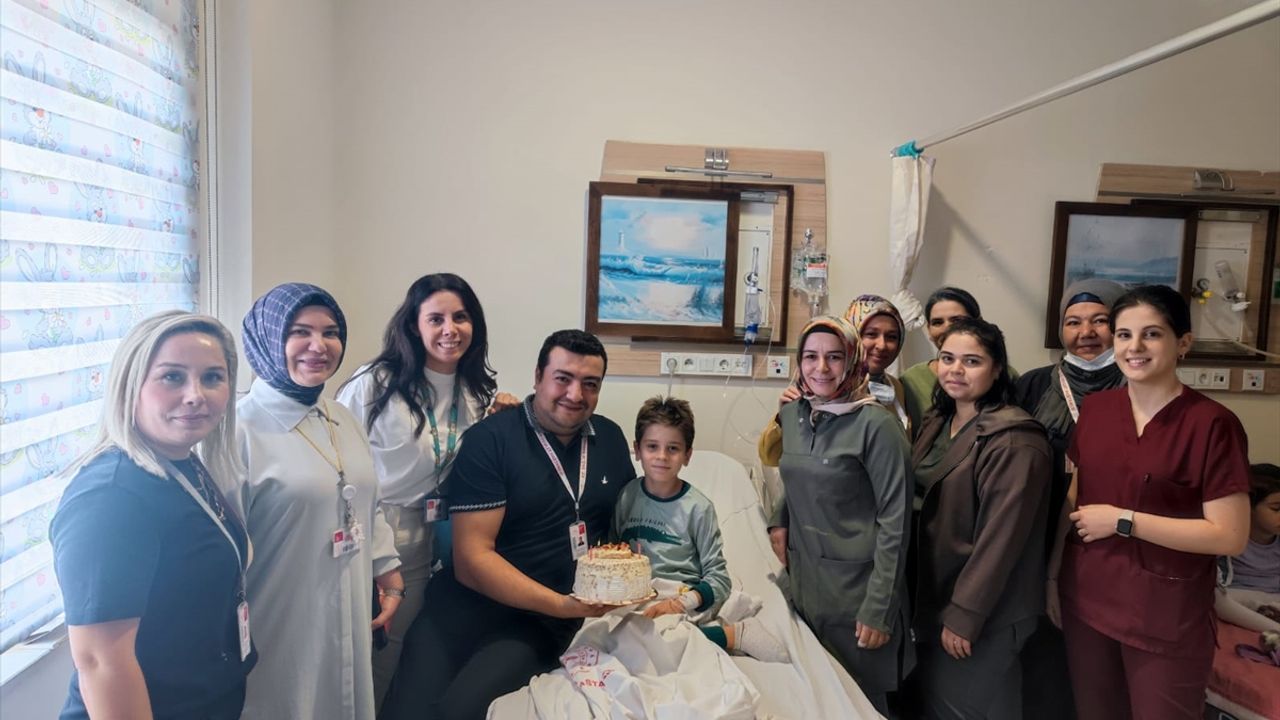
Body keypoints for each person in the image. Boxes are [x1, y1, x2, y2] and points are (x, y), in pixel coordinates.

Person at [381, 329, 636, 720]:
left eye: (590, 384)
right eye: (563, 378)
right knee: (406, 711)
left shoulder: (612, 440)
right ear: (537, 377)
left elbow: (629, 527)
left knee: (459, 710)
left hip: (538, 621)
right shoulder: (491, 440)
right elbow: (471, 561)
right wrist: (563, 605)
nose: (575, 394)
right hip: (464, 603)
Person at [1049, 285, 1250, 720]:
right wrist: (1050, 575)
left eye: (1152, 334)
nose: (1134, 347)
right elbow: (1075, 497)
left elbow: (1230, 535)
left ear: (1183, 343)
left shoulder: (1212, 425)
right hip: (1088, 598)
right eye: (1124, 335)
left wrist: (1124, 521)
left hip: (1165, 615)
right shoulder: (1098, 411)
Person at [51, 311, 255, 719]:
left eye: (212, 377)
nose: (195, 395)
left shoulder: (181, 461)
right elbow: (101, 662)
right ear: (132, 385)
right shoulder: (111, 497)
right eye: (172, 377)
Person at [335, 273, 517, 709]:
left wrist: (503, 417)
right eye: (436, 319)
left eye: (460, 317)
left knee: (392, 649)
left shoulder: (478, 391)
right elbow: (335, 462)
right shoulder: (375, 384)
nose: (450, 330)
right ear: (414, 326)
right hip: (370, 530)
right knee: (349, 647)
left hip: (430, 534)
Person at [236, 283, 404, 720]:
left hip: (348, 600)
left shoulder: (340, 416)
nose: (319, 345)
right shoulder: (238, 430)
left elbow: (368, 502)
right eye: (299, 332)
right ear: (267, 339)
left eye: (331, 332)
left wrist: (387, 571)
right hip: (279, 611)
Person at [764, 316, 914, 715]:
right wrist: (779, 518)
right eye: (810, 357)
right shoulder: (795, 414)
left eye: (834, 357)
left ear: (853, 359)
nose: (821, 368)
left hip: (858, 594)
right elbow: (797, 470)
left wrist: (879, 608)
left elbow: (896, 523)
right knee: (814, 701)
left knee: (860, 706)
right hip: (807, 585)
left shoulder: (877, 425)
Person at [912, 317, 1051, 720]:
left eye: (971, 361)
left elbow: (1002, 539)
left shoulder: (1015, 439)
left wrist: (965, 614)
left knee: (957, 704)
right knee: (988, 706)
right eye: (947, 359)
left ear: (997, 369)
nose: (955, 370)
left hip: (987, 607)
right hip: (943, 592)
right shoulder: (939, 421)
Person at [1013, 278, 1125, 720]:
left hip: (1115, 540)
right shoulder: (1034, 385)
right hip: (1039, 533)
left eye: (1100, 320)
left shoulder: (1138, 383)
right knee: (1045, 652)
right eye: (1074, 322)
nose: (1086, 333)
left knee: (1104, 662)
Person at [615, 396, 789, 662]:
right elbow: (615, 555)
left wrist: (681, 603)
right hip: (638, 596)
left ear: (687, 455)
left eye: (673, 448)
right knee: (607, 633)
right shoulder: (626, 497)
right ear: (637, 450)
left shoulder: (698, 508)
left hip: (683, 595)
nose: (662, 456)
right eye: (652, 446)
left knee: (655, 637)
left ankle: (734, 635)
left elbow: (719, 579)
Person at [757, 293, 910, 467]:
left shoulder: (896, 387)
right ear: (849, 339)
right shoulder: (821, 387)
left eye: (891, 337)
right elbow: (769, 457)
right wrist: (783, 420)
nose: (882, 345)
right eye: (871, 334)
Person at [900, 287, 983, 433]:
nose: (947, 329)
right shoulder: (911, 380)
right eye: (938, 322)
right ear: (929, 330)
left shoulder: (1002, 374)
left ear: (979, 323)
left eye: (957, 320)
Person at [1215, 463, 1280, 634]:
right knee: (1211, 598)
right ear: (1249, 506)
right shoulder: (1229, 536)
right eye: (1276, 508)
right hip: (1239, 599)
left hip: (1276, 599)